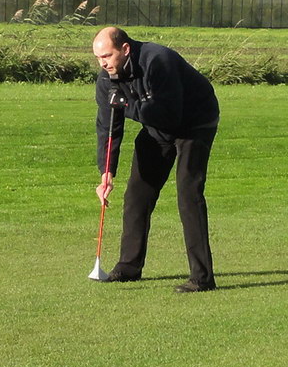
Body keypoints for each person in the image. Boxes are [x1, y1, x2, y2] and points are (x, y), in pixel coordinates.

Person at [92, 27, 220, 293]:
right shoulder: (107, 79)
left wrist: (127, 105)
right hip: (156, 130)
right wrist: (107, 174)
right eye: (98, 58)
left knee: (188, 195)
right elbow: (108, 126)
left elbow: (168, 114)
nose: (103, 63)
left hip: (194, 124)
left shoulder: (158, 61)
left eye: (107, 56)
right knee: (137, 196)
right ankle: (129, 267)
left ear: (125, 49)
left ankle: (202, 278)